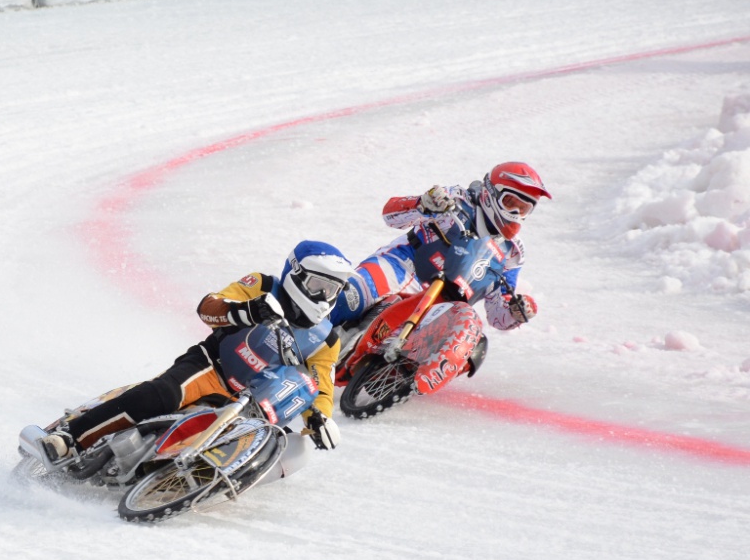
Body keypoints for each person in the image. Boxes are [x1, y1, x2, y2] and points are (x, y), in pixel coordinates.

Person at [40, 240, 357, 461]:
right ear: (296, 275)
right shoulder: (262, 286)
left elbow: (320, 386)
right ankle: (69, 437)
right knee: (160, 395)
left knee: (278, 442)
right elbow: (209, 307)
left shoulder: (326, 339)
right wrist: (246, 311)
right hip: (212, 366)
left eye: (333, 290)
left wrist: (320, 419)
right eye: (318, 286)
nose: (324, 297)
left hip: (254, 402)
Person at [330, 161, 551, 337]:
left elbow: (497, 313)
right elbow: (391, 215)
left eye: (524, 208)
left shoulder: (512, 252)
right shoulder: (456, 198)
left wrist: (518, 311)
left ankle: (399, 382)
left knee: (473, 345)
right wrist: (422, 204)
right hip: (403, 266)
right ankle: (302, 343)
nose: (515, 213)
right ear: (491, 192)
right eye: (510, 202)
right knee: (350, 298)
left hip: (443, 305)